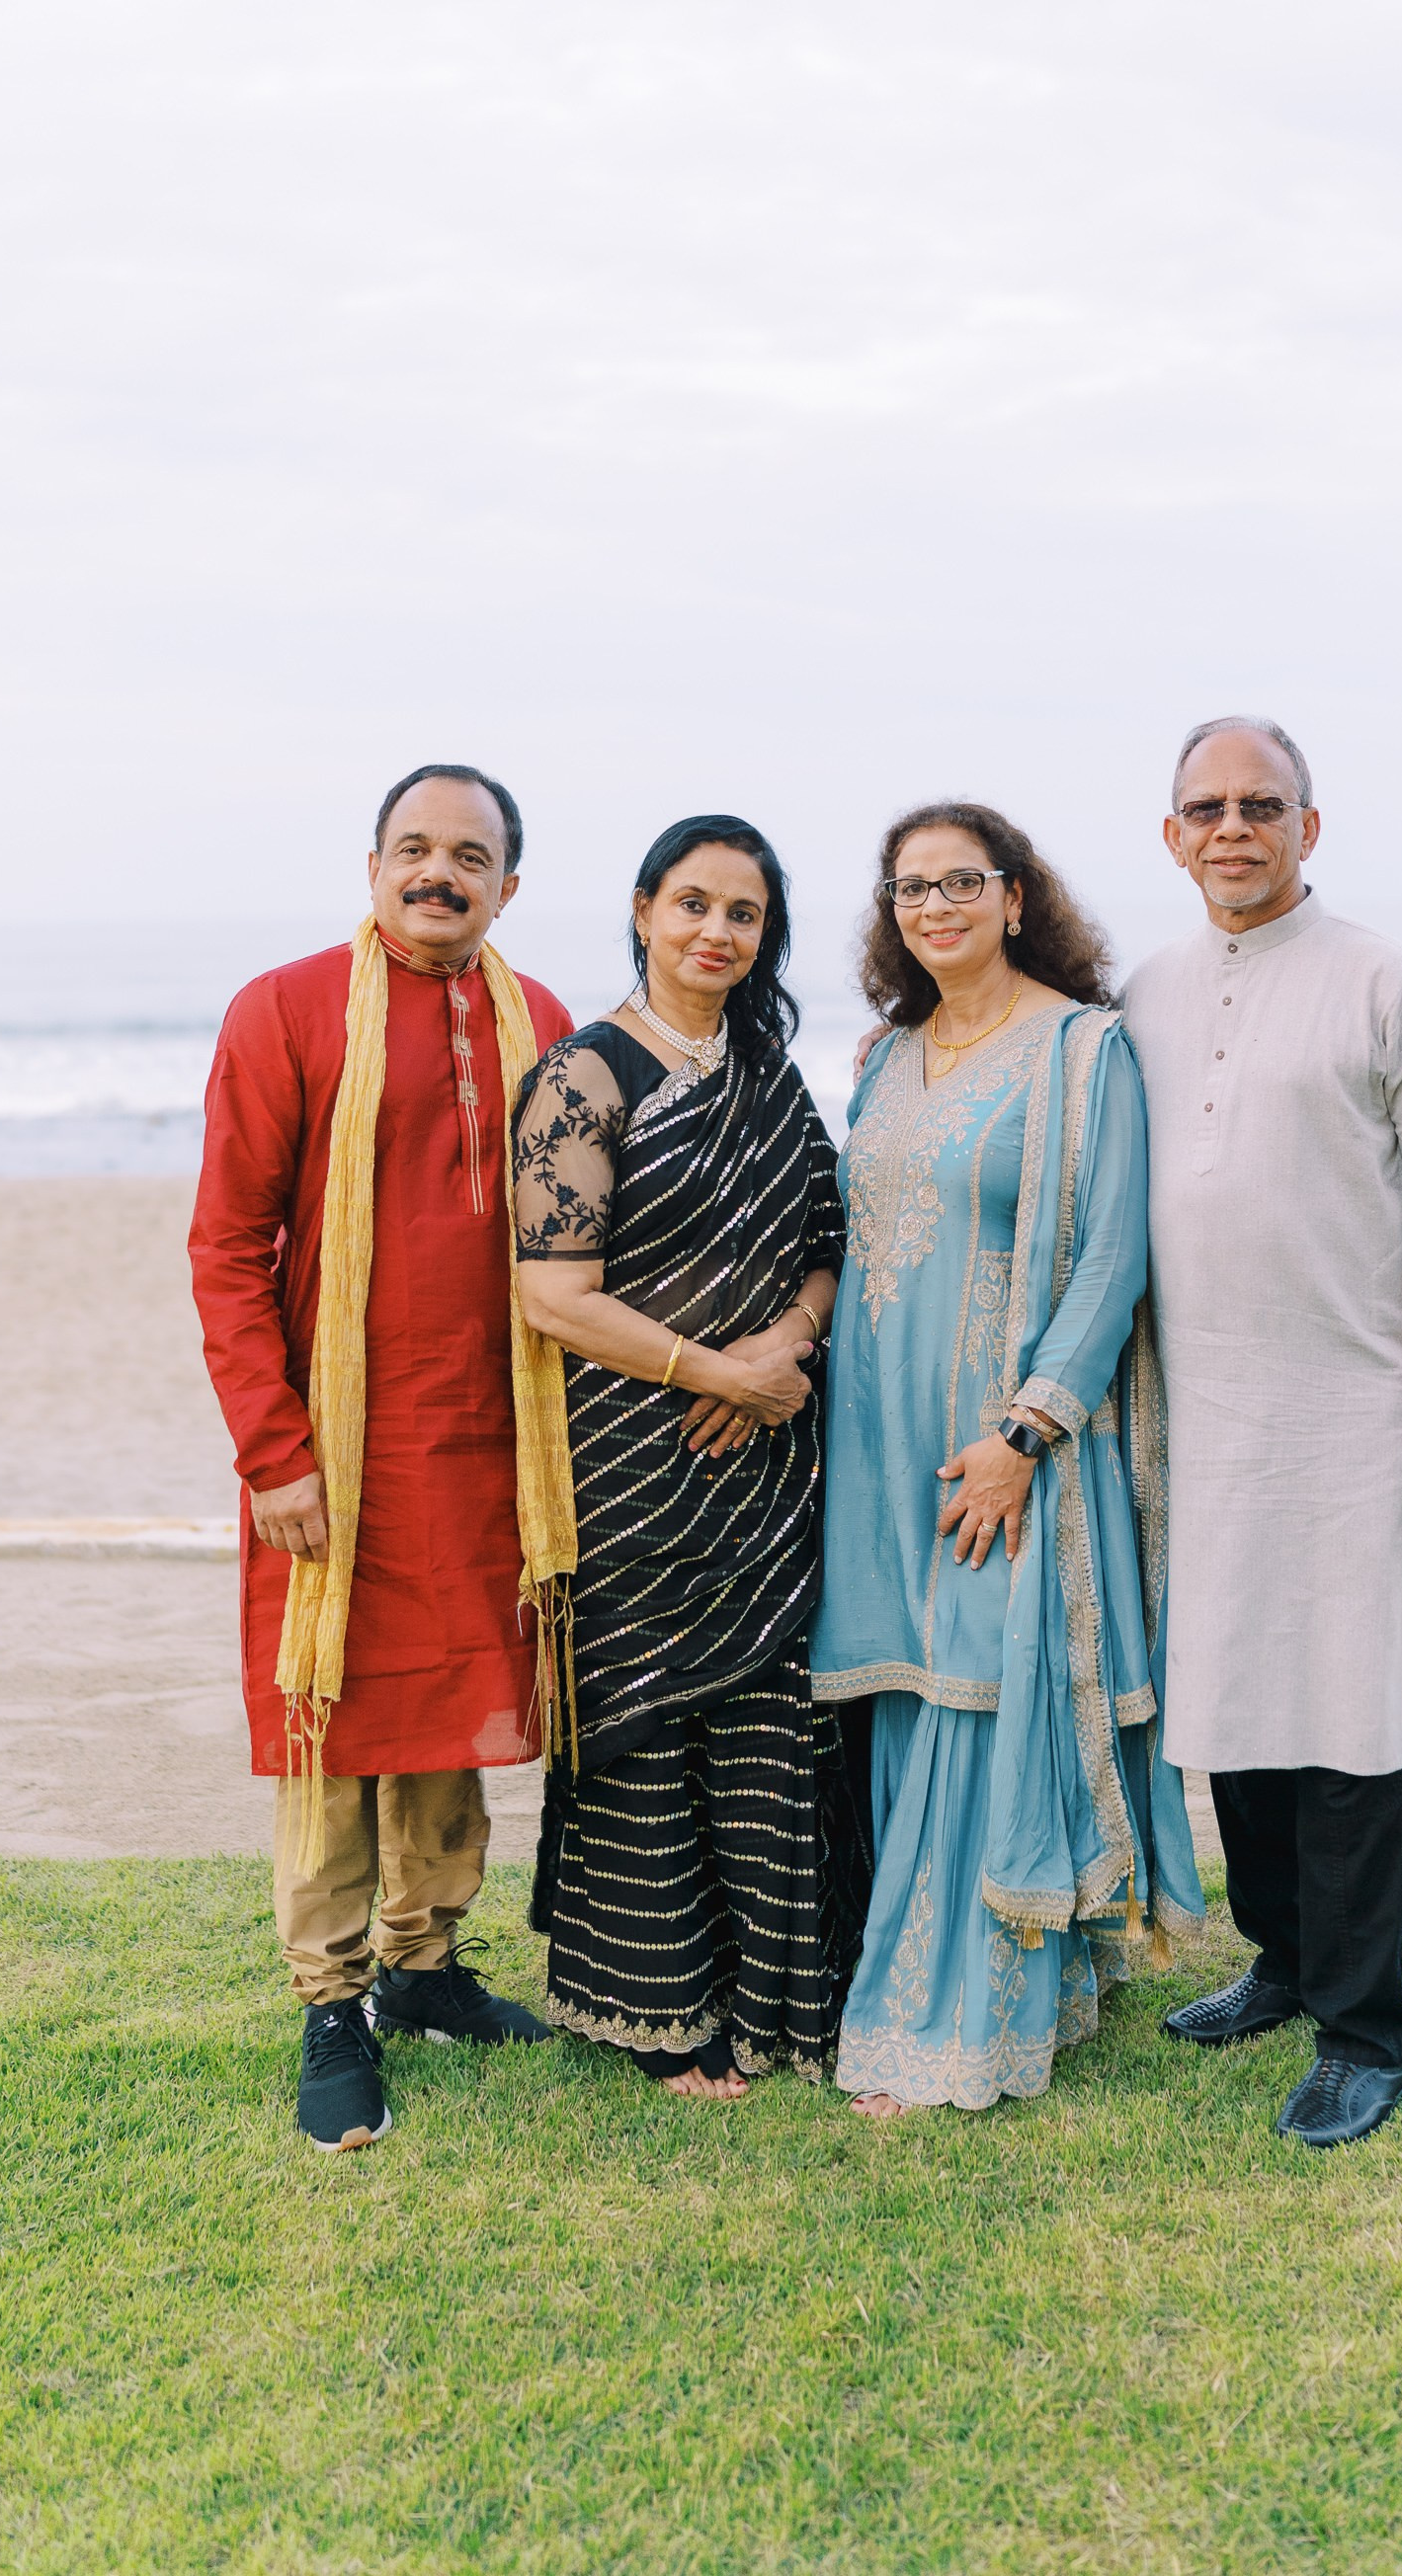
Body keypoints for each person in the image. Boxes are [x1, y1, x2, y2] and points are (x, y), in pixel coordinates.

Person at [1122, 715, 1402, 2149]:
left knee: (1349, 1712)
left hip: (1350, 1411)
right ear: (1172, 836)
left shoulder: (1391, 984)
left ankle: (1365, 2027)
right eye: (1206, 807)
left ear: (1308, 827)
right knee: (1230, 1704)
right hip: (1195, 1412)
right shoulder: (1147, 991)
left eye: (1260, 805)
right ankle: (1281, 1961)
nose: (1233, 827)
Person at [190, 765, 576, 2155]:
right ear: (371, 866)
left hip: (494, 1448)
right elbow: (228, 1248)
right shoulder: (287, 1008)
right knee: (333, 1721)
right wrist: (271, 1449)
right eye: (414, 848)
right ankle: (332, 2001)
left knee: (455, 1714)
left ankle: (424, 1964)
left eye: (469, 856)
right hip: (339, 1452)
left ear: (508, 888)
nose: (439, 873)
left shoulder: (545, 1024)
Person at [812, 802, 1202, 2118]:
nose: (937, 907)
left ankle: (950, 2024)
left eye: (963, 882)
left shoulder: (1086, 1053)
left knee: (987, 1697)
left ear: (1017, 897)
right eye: (912, 888)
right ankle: (1060, 1985)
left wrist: (1027, 1432)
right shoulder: (882, 1057)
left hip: (1004, 1448)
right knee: (916, 1699)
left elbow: (1111, 1262)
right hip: (879, 1447)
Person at [511, 815, 849, 2099]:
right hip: (634, 1461)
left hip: (770, 1461)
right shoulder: (585, 1077)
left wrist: (784, 1347)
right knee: (650, 1726)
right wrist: (716, 1374)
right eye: (694, 904)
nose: (717, 931)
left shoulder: (769, 1074)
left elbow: (829, 1236)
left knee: (769, 1723)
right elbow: (554, 1294)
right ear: (647, 909)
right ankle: (661, 2016)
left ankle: (775, 2004)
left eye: (743, 914)